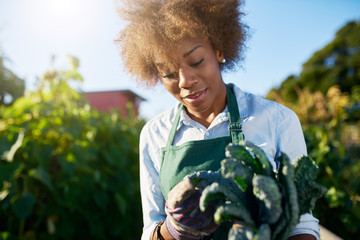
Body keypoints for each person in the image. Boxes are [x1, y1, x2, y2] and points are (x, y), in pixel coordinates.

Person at [116, 0, 321, 239]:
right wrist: (176, 228)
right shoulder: (154, 134)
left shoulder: (276, 120)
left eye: (196, 61)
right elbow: (151, 229)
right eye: (169, 73)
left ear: (219, 50)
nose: (184, 80)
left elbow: (302, 223)